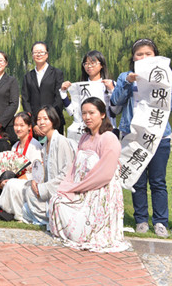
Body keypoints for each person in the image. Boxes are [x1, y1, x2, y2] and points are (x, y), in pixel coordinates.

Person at [110, 38, 172, 238]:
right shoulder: (125, 76)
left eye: (148, 53)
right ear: (133, 58)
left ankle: (160, 222)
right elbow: (115, 102)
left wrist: (162, 86)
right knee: (137, 180)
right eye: (139, 54)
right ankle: (141, 220)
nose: (144, 57)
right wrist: (128, 83)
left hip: (158, 136)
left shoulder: (165, 76)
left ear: (155, 55)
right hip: (133, 135)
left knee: (158, 181)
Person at [49, 97, 129, 252]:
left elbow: (105, 174)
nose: (87, 117)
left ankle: (85, 232)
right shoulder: (84, 138)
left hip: (100, 190)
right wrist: (67, 186)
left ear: (103, 114)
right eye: (84, 113)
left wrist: (77, 188)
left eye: (92, 113)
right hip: (82, 187)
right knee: (57, 200)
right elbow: (73, 167)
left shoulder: (109, 138)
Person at [14, 106, 76, 225]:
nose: (41, 122)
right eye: (39, 119)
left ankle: (52, 215)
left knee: (27, 206)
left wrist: (44, 188)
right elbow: (44, 172)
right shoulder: (45, 144)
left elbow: (67, 173)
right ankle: (47, 214)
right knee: (29, 190)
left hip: (61, 190)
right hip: (48, 188)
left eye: (45, 119)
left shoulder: (61, 141)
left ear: (53, 120)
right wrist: (36, 181)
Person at [60, 50, 119, 141]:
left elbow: (116, 110)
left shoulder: (110, 84)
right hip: (84, 132)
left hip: (105, 130)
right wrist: (63, 93)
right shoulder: (79, 87)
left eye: (93, 63)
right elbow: (72, 111)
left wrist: (111, 90)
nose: (89, 66)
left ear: (102, 65)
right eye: (86, 63)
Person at [0, 112, 44, 220]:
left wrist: (19, 179)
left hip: (31, 182)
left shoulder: (35, 145)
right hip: (17, 179)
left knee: (12, 184)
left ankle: (19, 214)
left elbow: (38, 172)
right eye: (16, 125)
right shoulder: (15, 146)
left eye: (22, 125)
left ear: (29, 127)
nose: (18, 128)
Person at [21, 42, 65, 135]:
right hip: (35, 126)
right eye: (36, 52)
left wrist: (49, 120)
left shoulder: (57, 73)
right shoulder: (28, 76)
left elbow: (59, 98)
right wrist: (34, 124)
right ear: (32, 55)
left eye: (41, 52)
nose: (38, 54)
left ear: (47, 54)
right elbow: (25, 101)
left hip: (54, 123)